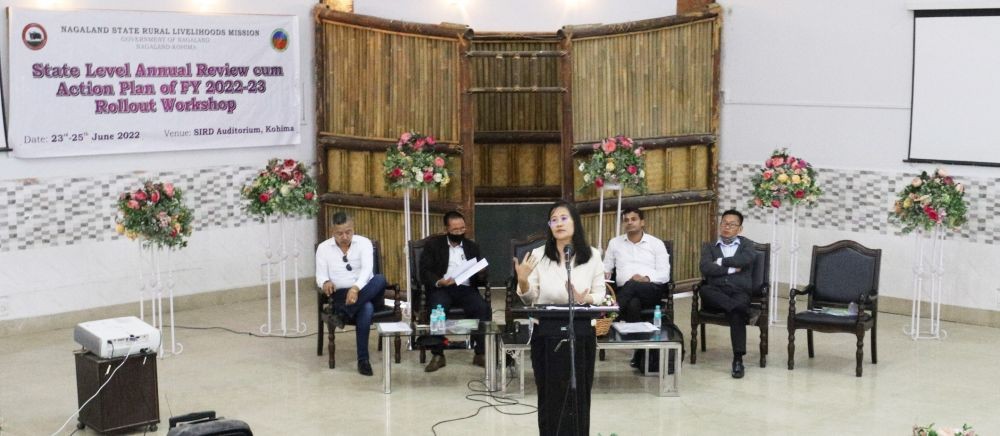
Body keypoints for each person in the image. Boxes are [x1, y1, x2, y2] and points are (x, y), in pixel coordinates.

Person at [514, 200, 605, 436]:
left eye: (564, 218)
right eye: (553, 220)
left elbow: (601, 294)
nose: (559, 224)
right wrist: (523, 281)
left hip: (582, 329)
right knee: (550, 394)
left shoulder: (593, 255)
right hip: (547, 331)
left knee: (579, 393)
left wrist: (585, 299)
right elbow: (529, 298)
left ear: (575, 222)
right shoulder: (537, 255)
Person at [315, 211, 387, 376]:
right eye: (340, 233)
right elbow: (320, 275)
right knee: (366, 308)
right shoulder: (323, 248)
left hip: (366, 290)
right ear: (332, 231)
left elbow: (368, 271)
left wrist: (355, 289)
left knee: (380, 279)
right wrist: (325, 282)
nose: (345, 236)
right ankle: (363, 360)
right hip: (340, 294)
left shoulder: (364, 243)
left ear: (353, 229)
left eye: (348, 232)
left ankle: (343, 313)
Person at [419, 211, 490, 372]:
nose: (459, 232)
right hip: (443, 288)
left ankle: (480, 352)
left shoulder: (472, 247)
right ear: (446, 229)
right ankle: (438, 354)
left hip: (465, 288)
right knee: (438, 308)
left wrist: (482, 273)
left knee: (482, 308)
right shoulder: (433, 245)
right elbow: (424, 271)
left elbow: (480, 279)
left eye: (462, 229)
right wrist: (439, 281)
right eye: (455, 229)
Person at [603, 207, 671, 368]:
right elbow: (606, 269)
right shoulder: (614, 243)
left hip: (651, 289)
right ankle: (640, 353)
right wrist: (603, 275)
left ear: (642, 222)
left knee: (633, 284)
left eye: (633, 219)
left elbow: (665, 274)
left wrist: (646, 278)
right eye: (626, 220)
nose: (629, 223)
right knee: (633, 303)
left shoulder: (656, 243)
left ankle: (610, 313)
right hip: (625, 293)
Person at [699, 209, 757, 379]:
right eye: (724, 223)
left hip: (739, 291)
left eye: (732, 225)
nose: (727, 227)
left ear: (740, 229)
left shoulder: (747, 245)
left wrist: (720, 262)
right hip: (716, 292)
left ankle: (738, 360)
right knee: (704, 290)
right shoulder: (709, 247)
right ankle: (745, 310)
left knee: (735, 313)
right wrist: (732, 269)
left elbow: (744, 260)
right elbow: (705, 267)